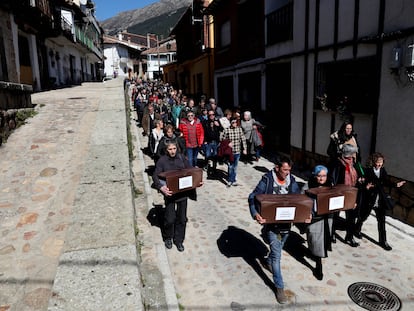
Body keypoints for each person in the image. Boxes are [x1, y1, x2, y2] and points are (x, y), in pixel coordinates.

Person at [248, 156, 301, 304]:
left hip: (286, 225)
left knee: (276, 251)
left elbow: (298, 199)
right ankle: (279, 288)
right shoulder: (267, 180)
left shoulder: (292, 180)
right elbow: (252, 197)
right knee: (278, 256)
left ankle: (267, 262)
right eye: (284, 170)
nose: (287, 173)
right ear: (277, 168)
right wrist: (256, 214)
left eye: (289, 170)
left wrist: (305, 214)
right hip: (272, 225)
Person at [152, 140, 202, 252]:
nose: (172, 151)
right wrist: (161, 187)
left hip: (182, 193)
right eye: (170, 149)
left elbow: (190, 170)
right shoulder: (162, 161)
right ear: (166, 150)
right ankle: (168, 237)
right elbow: (155, 176)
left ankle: (179, 240)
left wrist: (198, 180)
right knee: (170, 219)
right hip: (170, 194)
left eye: (174, 148)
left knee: (182, 218)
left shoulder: (182, 158)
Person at [355, 153, 406, 250]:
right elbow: (362, 183)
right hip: (370, 199)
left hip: (380, 199)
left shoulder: (383, 171)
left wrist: (396, 184)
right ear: (373, 162)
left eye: (381, 162)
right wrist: (366, 187)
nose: (379, 164)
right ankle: (356, 229)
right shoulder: (368, 171)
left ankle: (383, 241)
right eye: (377, 162)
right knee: (363, 216)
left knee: (382, 221)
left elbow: (386, 181)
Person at [301, 165, 333, 280]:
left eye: (324, 176)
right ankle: (317, 261)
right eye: (319, 176)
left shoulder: (330, 185)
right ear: (315, 176)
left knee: (322, 241)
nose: (321, 179)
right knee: (314, 239)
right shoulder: (308, 185)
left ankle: (318, 265)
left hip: (327, 217)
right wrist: (306, 213)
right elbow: (301, 200)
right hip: (314, 217)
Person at [330, 143, 364, 247]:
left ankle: (349, 237)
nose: (355, 154)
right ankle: (332, 234)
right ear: (348, 153)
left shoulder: (354, 163)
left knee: (351, 216)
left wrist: (361, 179)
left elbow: (360, 173)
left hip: (352, 193)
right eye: (353, 152)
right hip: (339, 193)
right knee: (335, 215)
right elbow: (333, 178)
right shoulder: (338, 163)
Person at [222, 117, 247, 187]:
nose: (234, 124)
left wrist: (245, 149)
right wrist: (227, 143)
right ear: (231, 123)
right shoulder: (227, 130)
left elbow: (243, 140)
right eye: (233, 122)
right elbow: (222, 139)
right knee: (230, 166)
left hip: (237, 151)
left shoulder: (239, 129)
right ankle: (230, 180)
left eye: (236, 122)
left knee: (235, 166)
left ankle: (234, 180)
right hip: (230, 152)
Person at [202, 109, 221, 176]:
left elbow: (222, 130)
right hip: (208, 142)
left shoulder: (217, 121)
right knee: (207, 155)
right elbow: (203, 132)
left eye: (213, 114)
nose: (211, 116)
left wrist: (218, 126)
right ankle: (206, 165)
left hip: (216, 141)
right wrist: (204, 141)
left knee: (215, 155)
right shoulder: (205, 122)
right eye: (210, 115)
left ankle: (214, 168)